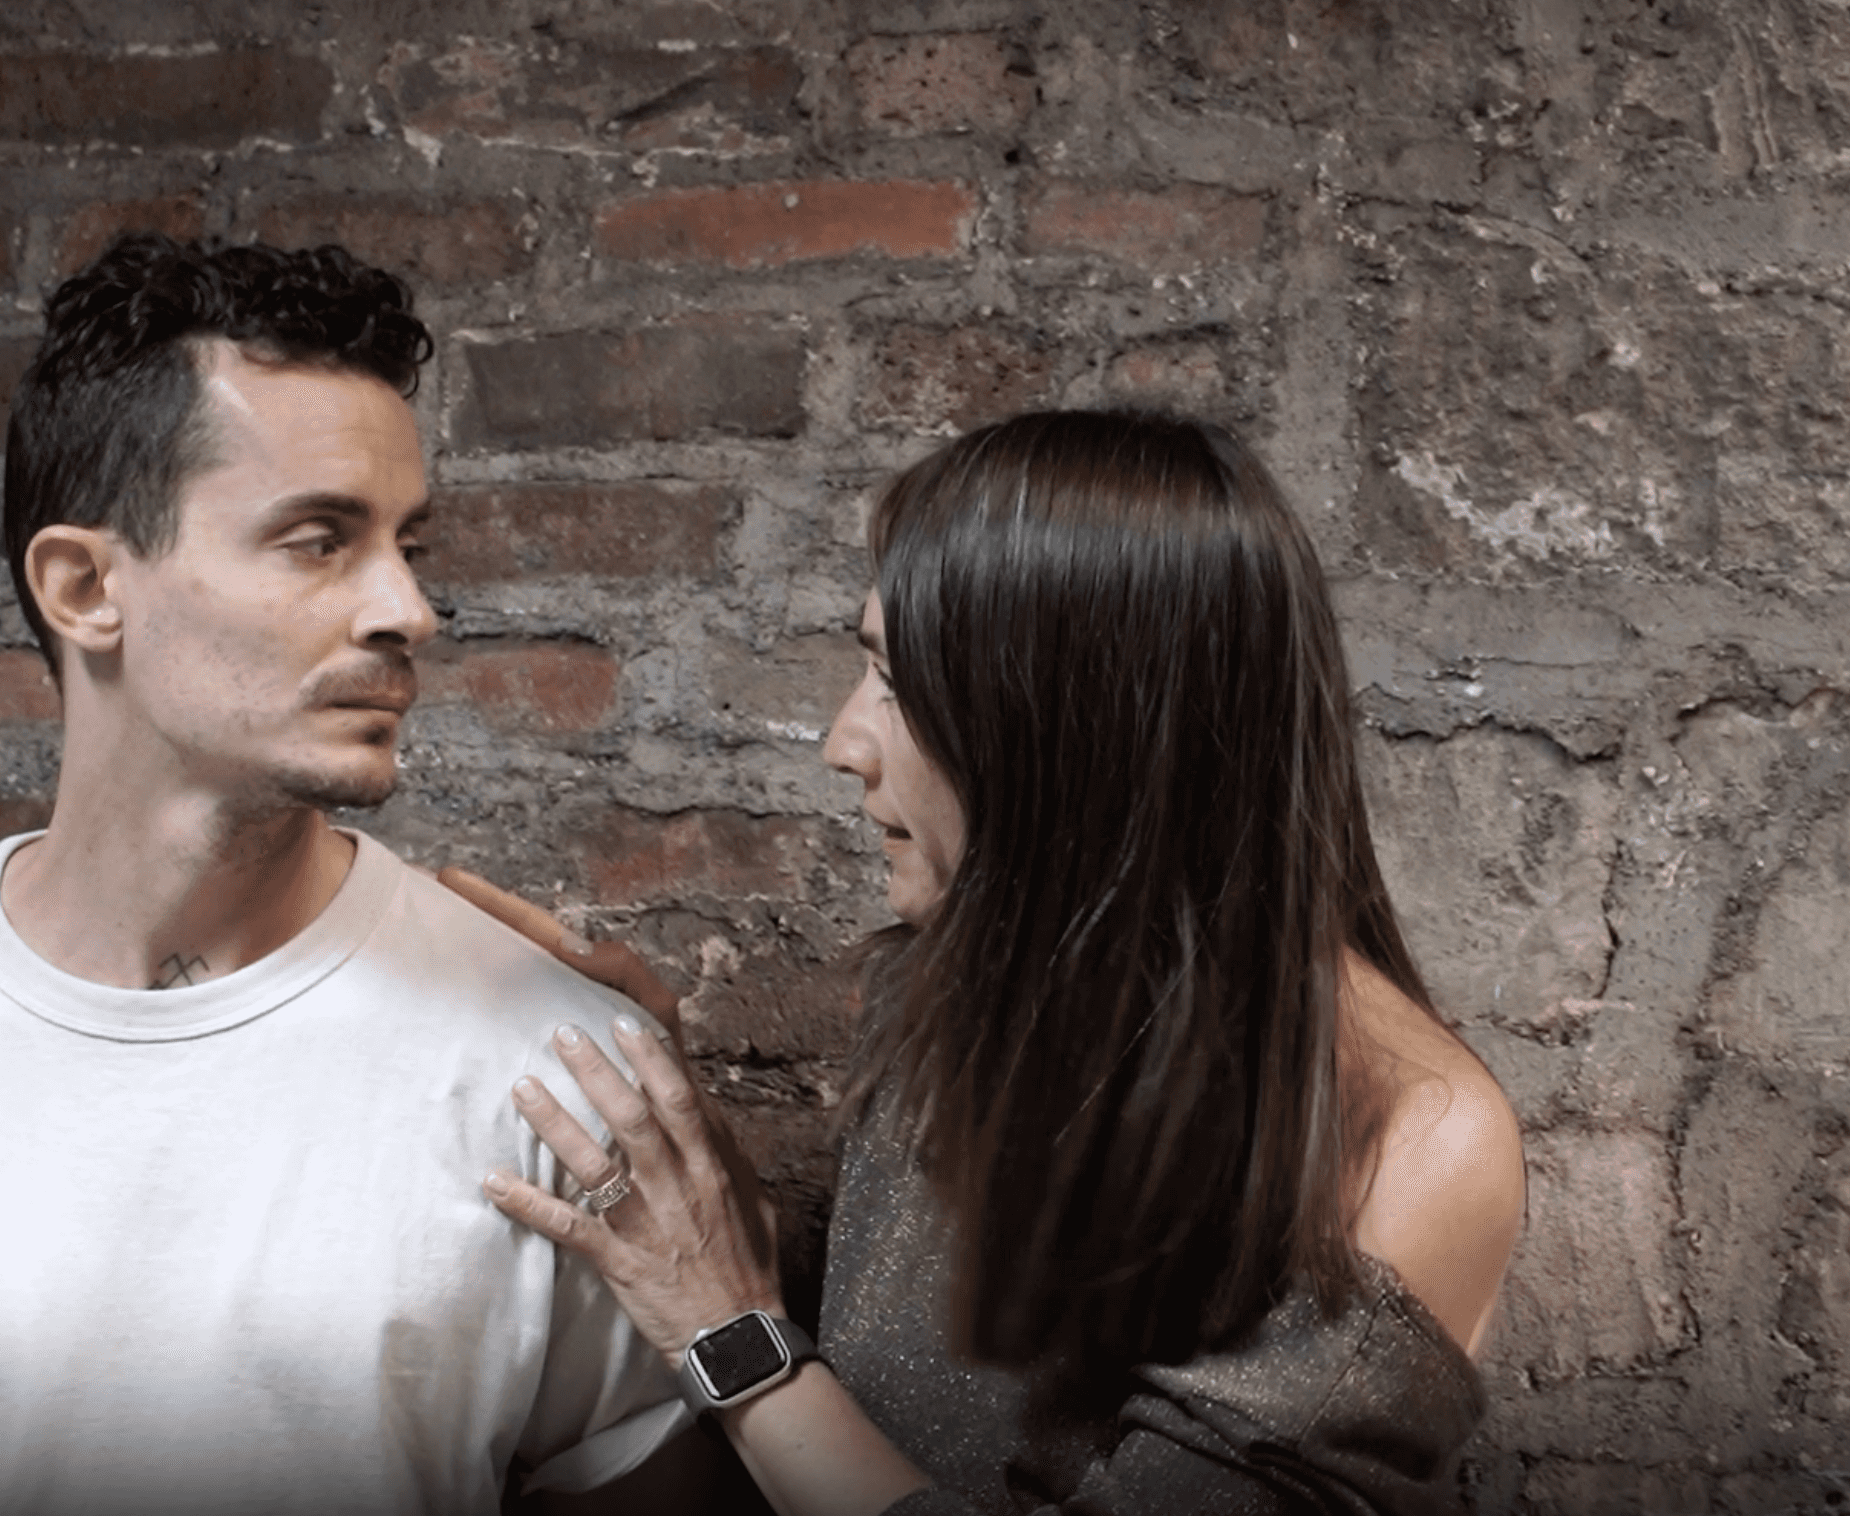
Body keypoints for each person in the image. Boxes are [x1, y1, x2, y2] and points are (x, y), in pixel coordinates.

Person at [0, 233, 722, 1515]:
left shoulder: (561, 1072)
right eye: (317, 541)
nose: (409, 609)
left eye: (410, 543)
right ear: (83, 586)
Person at [464, 410, 1526, 1515]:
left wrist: (727, 1334)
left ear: (1067, 722)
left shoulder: (1417, 1138)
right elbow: (877, 1395)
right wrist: (685, 1149)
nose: (842, 741)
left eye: (895, 680)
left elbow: (788, 1376)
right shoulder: (961, 980)